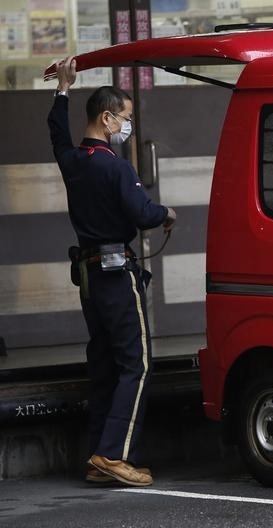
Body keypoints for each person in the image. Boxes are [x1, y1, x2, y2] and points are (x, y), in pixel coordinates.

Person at [48, 56, 177, 487]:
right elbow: (142, 214)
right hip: (117, 274)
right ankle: (114, 455)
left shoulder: (73, 161)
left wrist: (63, 89)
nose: (128, 127)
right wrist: (165, 212)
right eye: (125, 118)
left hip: (88, 278)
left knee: (104, 364)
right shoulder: (116, 167)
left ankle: (97, 456)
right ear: (106, 118)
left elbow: (56, 133)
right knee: (135, 363)